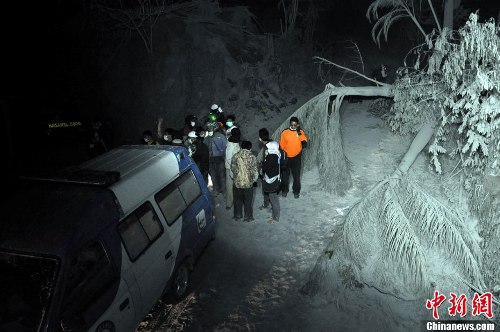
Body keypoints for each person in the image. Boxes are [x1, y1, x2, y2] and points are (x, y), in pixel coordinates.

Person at [279, 116, 308, 198]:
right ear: (290, 124)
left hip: (296, 157)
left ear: (298, 125)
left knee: (296, 176)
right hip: (287, 157)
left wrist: (299, 132)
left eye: (295, 125)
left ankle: (296, 192)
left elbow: (304, 143)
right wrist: (282, 155)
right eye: (292, 125)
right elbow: (281, 145)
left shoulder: (300, 132)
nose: (293, 126)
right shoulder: (285, 132)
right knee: (285, 176)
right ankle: (284, 190)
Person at [231, 140, 258, 222]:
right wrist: (254, 180)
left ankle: (237, 215)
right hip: (248, 184)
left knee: (237, 200)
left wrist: (236, 177)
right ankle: (248, 217)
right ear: (250, 148)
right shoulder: (252, 157)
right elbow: (254, 171)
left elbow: (233, 169)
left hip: (237, 183)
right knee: (248, 201)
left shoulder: (235, 156)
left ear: (241, 146)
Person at [204, 121, 227, 194]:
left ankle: (223, 190)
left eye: (211, 127)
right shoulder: (207, 138)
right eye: (208, 128)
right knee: (213, 176)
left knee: (221, 175)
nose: (210, 129)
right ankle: (216, 190)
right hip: (210, 159)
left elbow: (225, 147)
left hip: (219, 158)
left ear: (215, 127)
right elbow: (205, 147)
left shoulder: (221, 136)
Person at [261, 141, 281, 224]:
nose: (266, 150)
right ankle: (274, 215)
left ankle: (275, 218)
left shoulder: (271, 158)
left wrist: (265, 160)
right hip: (275, 180)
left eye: (268, 149)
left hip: (271, 181)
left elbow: (266, 169)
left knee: (273, 200)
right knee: (273, 198)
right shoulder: (277, 155)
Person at [225, 127, 241, 210]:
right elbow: (228, 158)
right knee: (229, 186)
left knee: (236, 186)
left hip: (236, 167)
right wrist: (233, 168)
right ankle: (229, 203)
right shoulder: (231, 144)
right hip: (230, 168)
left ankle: (236, 201)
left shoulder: (236, 142)